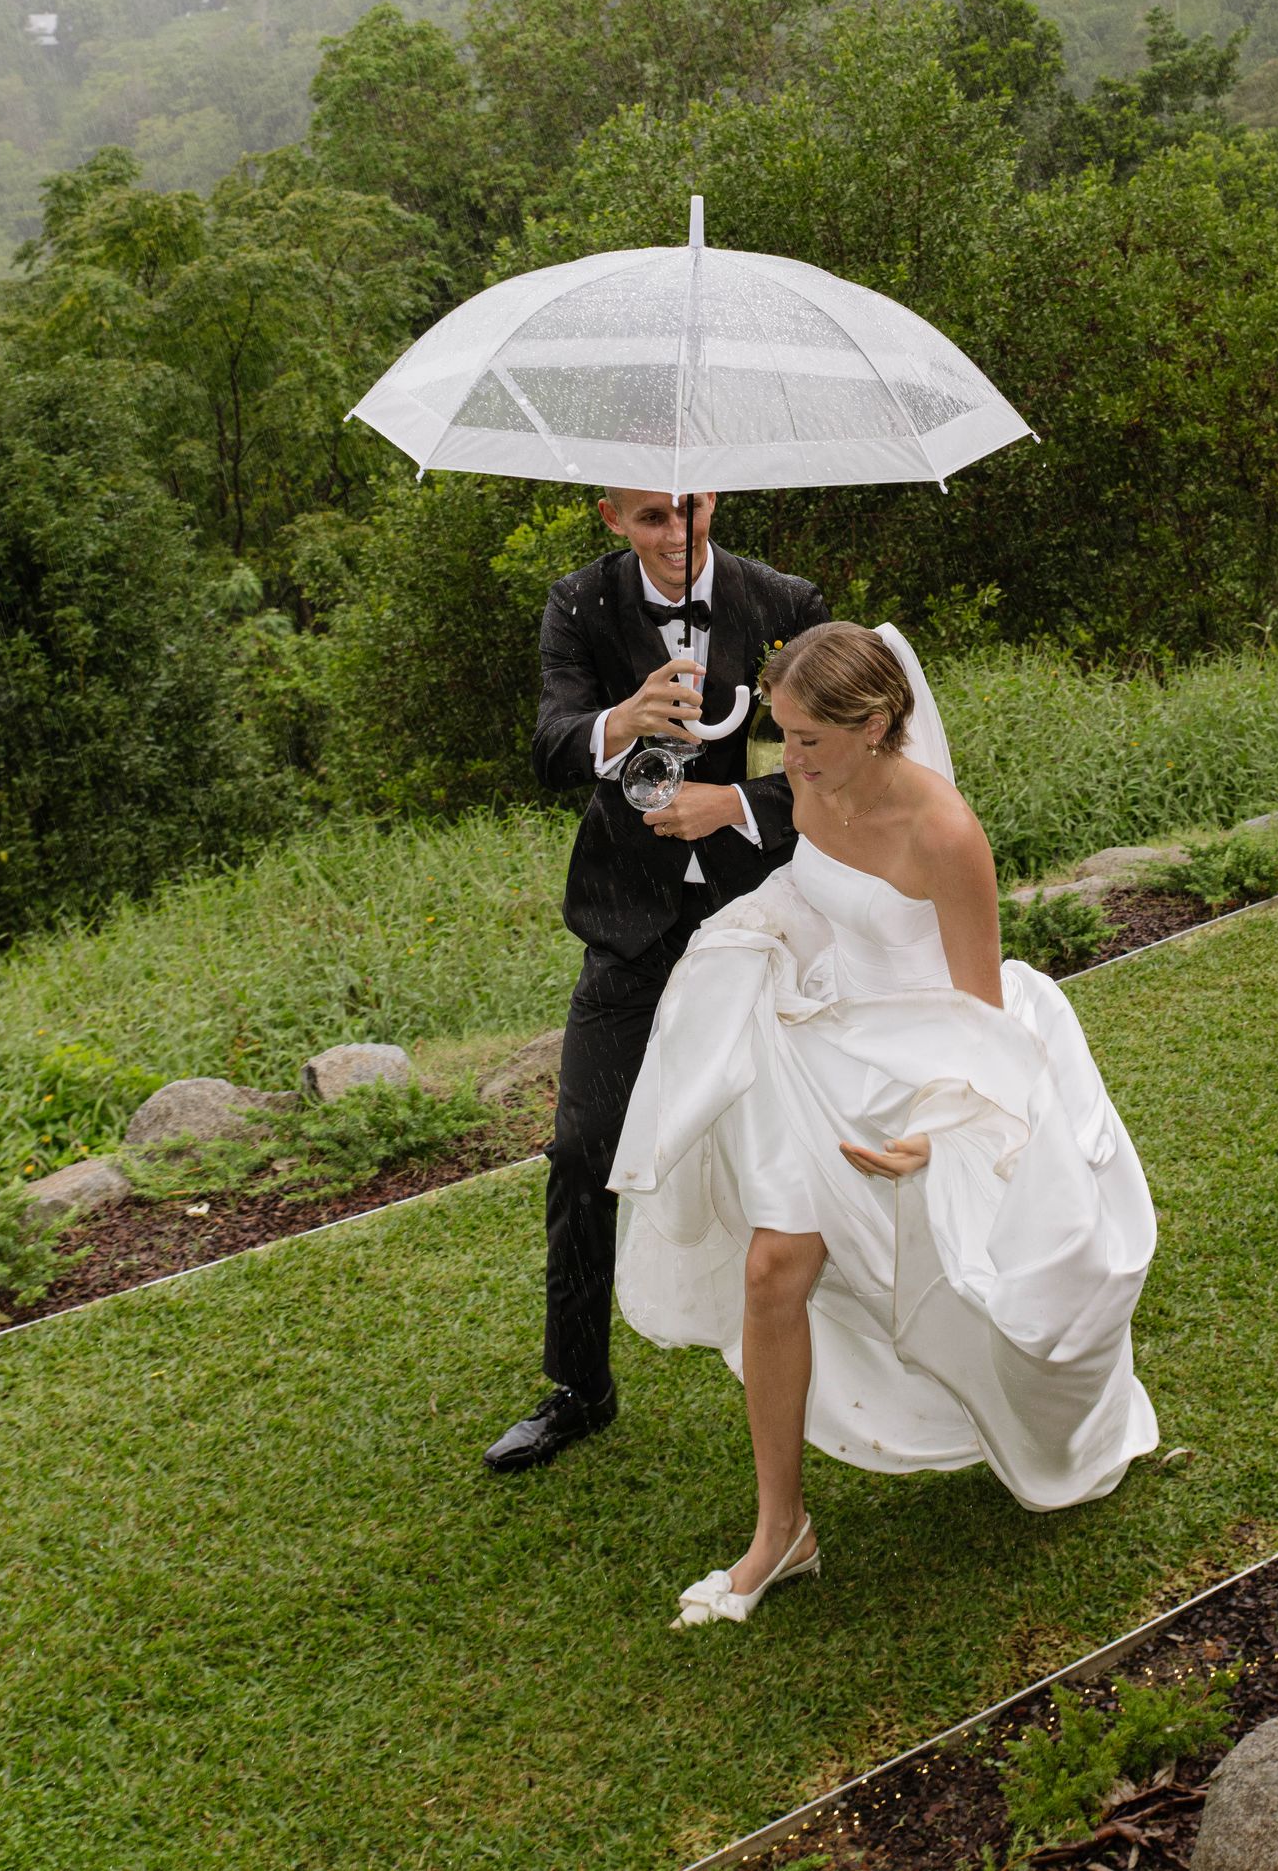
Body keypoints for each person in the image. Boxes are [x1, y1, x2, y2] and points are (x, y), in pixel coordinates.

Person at [609, 621, 1158, 1624]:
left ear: (875, 725)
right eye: (783, 733)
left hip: (926, 1063)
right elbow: (811, 887)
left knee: (986, 1295)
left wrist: (941, 1132)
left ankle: (1060, 1417)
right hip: (823, 1046)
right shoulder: (815, 781)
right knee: (773, 1270)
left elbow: (979, 1011)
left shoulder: (944, 831)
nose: (790, 759)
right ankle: (781, 1530)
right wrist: (755, 936)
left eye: (809, 737)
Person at [482, 488, 827, 1471]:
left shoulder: (785, 602)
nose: (677, 535)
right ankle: (578, 1387)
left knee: (817, 1139)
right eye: (650, 519)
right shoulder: (578, 603)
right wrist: (621, 719)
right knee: (580, 1148)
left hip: (759, 920)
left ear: (712, 495)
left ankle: (865, 1352)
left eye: (690, 510)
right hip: (627, 924)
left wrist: (733, 803)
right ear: (610, 517)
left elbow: (835, 755)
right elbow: (551, 746)